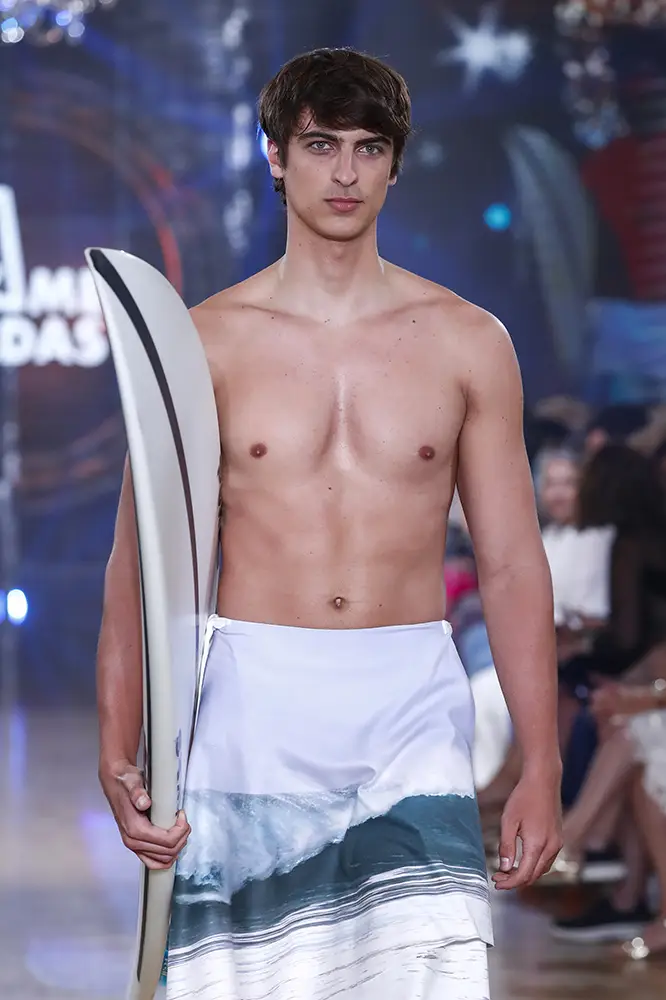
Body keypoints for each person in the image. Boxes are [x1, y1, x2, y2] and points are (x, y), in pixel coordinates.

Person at [97, 48, 562, 1000]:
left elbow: (514, 564)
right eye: (320, 145)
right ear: (276, 155)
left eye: (368, 147)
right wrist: (118, 746)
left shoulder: (469, 343)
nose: (345, 172)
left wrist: (542, 762)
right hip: (253, 708)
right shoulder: (204, 344)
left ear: (396, 163)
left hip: (411, 709)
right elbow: (140, 567)